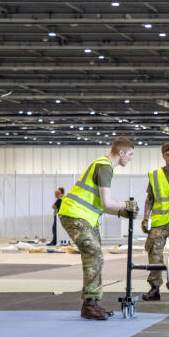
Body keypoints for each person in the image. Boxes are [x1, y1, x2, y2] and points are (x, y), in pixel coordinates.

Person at [58, 136, 138, 320]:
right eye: (130, 154)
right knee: (94, 254)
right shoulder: (105, 167)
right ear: (121, 153)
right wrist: (126, 205)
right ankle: (89, 304)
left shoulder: (103, 165)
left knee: (96, 256)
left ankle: (92, 302)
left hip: (84, 216)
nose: (131, 158)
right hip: (75, 214)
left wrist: (121, 212)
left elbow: (103, 205)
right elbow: (107, 201)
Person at [141, 142, 169, 301]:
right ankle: (154, 288)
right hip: (160, 222)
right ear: (163, 156)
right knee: (154, 254)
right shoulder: (155, 175)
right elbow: (150, 199)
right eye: (167, 155)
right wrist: (146, 219)